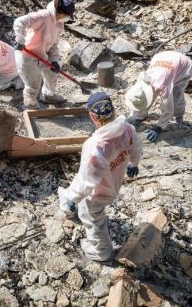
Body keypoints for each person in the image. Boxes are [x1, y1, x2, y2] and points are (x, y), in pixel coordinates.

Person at [57, 92, 142, 262]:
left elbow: (86, 182)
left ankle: (102, 252)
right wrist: (134, 163)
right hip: (115, 180)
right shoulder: (128, 129)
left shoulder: (95, 147)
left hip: (99, 192)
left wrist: (71, 198)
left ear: (92, 116)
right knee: (86, 205)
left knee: (90, 214)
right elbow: (136, 147)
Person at [13, 0, 75, 108]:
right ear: (60, 12)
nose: (66, 18)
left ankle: (48, 95)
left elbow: (54, 44)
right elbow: (19, 22)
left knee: (52, 72)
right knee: (33, 83)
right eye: (66, 16)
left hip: (41, 54)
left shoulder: (59, 24)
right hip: (26, 55)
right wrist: (20, 40)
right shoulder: (42, 16)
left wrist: (54, 60)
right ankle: (30, 104)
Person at [124, 50, 192, 141]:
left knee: (176, 97)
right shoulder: (142, 78)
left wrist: (159, 127)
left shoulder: (163, 85)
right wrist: (135, 116)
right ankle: (139, 116)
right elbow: (140, 97)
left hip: (184, 67)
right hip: (162, 58)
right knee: (145, 96)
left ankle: (179, 118)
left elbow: (168, 109)